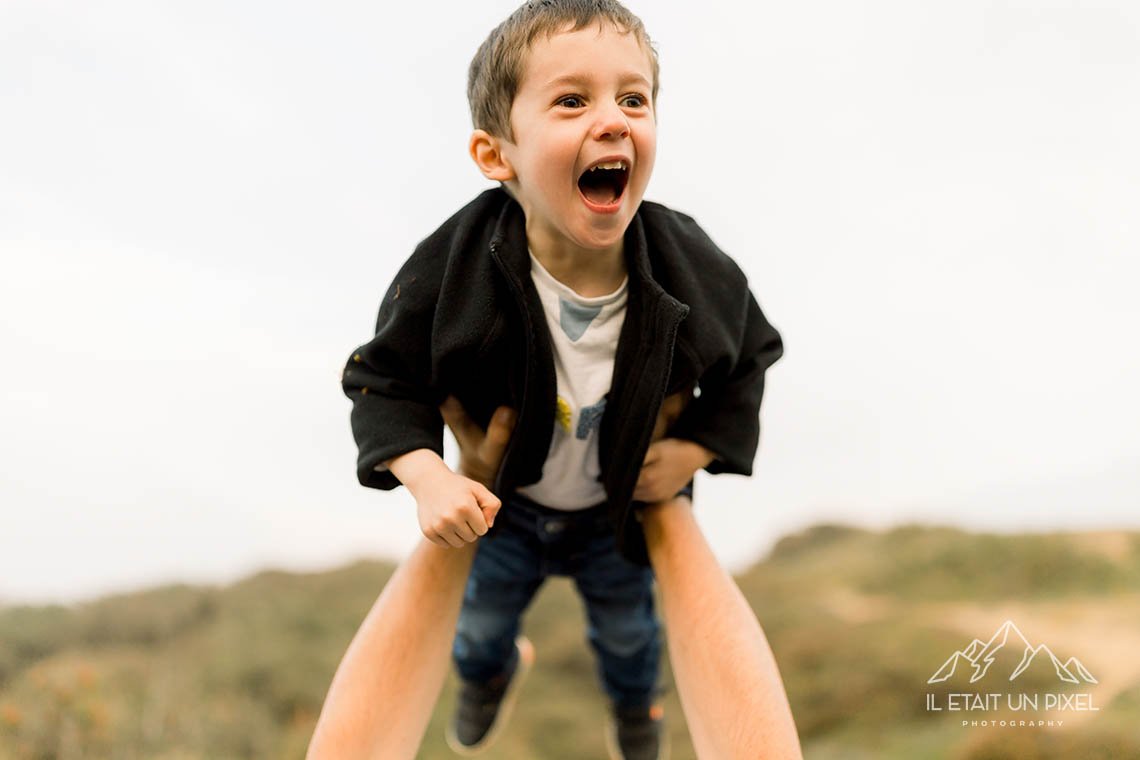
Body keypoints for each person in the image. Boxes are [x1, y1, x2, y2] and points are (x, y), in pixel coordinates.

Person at [341, 1, 782, 757]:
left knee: (629, 636)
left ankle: (637, 716)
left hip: (619, 515)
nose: (612, 120)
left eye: (633, 98)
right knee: (479, 628)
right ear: (496, 153)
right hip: (505, 509)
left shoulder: (687, 263)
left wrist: (697, 452)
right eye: (572, 100)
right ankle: (487, 679)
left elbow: (750, 358)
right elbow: (382, 377)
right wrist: (431, 478)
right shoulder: (458, 266)